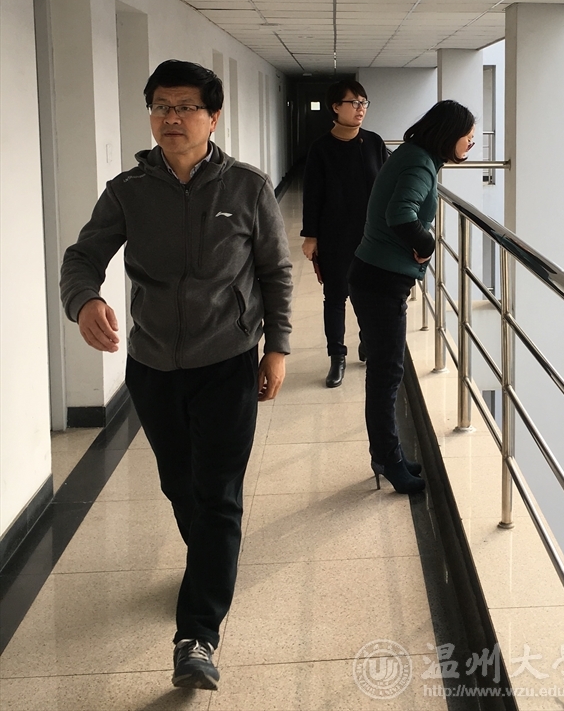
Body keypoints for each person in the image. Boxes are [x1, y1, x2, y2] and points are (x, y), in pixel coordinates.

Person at [60, 60, 293, 691]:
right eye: (161, 106)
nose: (172, 118)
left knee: (217, 492)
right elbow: (81, 257)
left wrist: (277, 348)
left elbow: (275, 271)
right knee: (180, 485)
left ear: (213, 117)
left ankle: (198, 634)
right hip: (154, 365)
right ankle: (209, 565)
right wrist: (85, 301)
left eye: (186, 106)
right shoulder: (128, 191)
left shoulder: (246, 187)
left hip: (228, 362)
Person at [348, 100, 475, 494]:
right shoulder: (420, 163)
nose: (470, 144)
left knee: (386, 372)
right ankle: (387, 459)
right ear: (449, 136)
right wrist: (427, 245)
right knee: (386, 375)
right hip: (381, 281)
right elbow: (401, 214)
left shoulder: (416, 154)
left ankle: (391, 455)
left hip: (375, 275)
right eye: (468, 138)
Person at [300, 79, 388, 388]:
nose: (361, 109)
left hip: (372, 237)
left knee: (369, 294)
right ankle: (337, 356)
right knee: (335, 297)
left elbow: (387, 187)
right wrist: (311, 237)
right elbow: (312, 195)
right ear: (336, 107)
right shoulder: (321, 148)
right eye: (354, 103)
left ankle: (366, 340)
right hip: (335, 236)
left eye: (364, 103)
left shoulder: (374, 143)